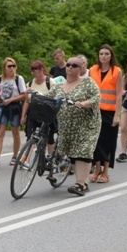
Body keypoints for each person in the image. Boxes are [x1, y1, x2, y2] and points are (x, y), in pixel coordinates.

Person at [47, 56, 101, 195]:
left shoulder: (88, 82)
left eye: (74, 65)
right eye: (69, 65)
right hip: (66, 125)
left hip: (86, 124)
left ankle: (81, 184)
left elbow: (96, 97)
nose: (70, 67)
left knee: (83, 150)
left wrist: (84, 104)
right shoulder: (58, 86)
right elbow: (48, 98)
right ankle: (80, 180)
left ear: (81, 68)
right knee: (72, 152)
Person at [88, 44, 123, 183]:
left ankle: (106, 172)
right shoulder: (93, 70)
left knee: (108, 142)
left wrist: (117, 114)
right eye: (101, 54)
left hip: (110, 111)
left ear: (111, 56)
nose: (103, 56)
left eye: (106, 54)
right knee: (95, 141)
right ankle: (97, 169)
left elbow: (119, 94)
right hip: (94, 110)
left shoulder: (117, 71)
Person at [0, 57, 26, 166]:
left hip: (14, 107)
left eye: (13, 66)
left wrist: (11, 100)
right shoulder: (0, 79)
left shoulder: (18, 79)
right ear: (4, 68)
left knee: (15, 132)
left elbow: (24, 95)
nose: (11, 68)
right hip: (2, 106)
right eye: (9, 66)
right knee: (0, 133)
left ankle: (15, 156)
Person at [21, 61, 55, 154]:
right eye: (31, 71)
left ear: (41, 70)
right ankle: (26, 160)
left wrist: (36, 92)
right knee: (30, 136)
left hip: (47, 112)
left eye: (35, 70)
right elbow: (27, 101)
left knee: (49, 137)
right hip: (34, 112)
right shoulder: (30, 83)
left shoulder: (50, 82)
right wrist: (23, 116)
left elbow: (52, 97)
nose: (33, 73)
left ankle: (50, 157)